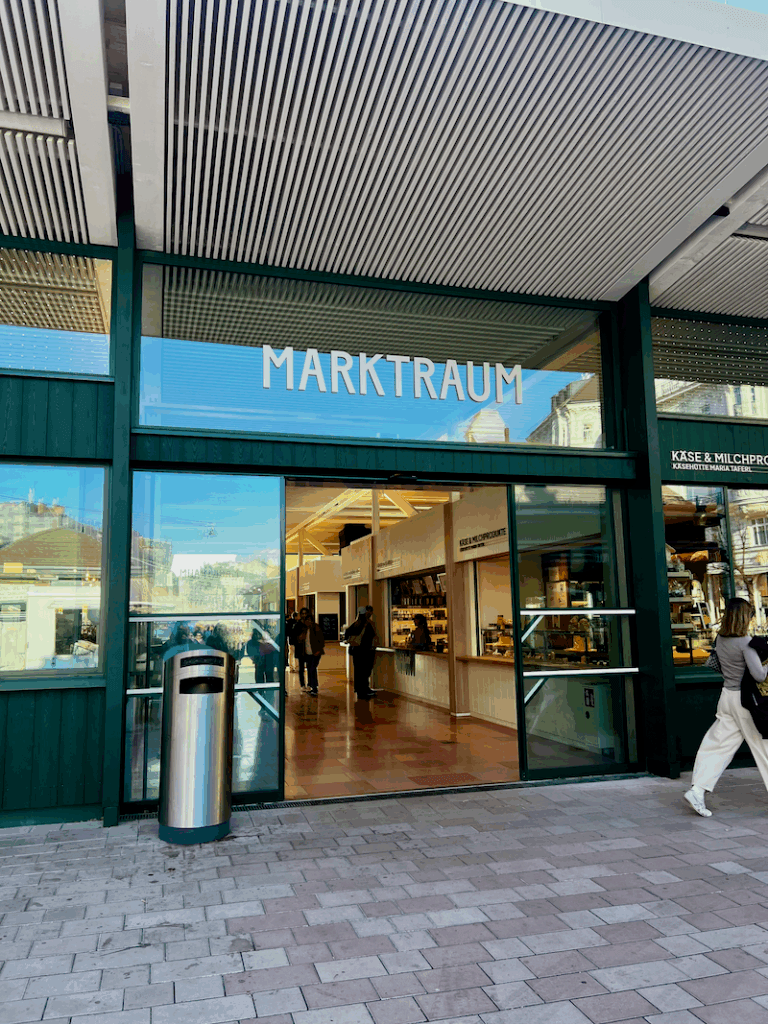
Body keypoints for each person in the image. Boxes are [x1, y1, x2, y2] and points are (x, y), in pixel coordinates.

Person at [685, 597, 768, 817]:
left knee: (717, 745)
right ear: (744, 617)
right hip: (747, 701)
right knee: (764, 748)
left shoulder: (721, 639)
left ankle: (697, 789)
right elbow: (759, 676)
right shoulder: (746, 642)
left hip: (727, 697)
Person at [344, 606, 378, 699]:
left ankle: (360, 690)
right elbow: (372, 636)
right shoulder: (367, 624)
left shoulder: (355, 624)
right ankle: (364, 690)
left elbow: (346, 634)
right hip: (365, 651)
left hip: (356, 651)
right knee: (365, 671)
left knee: (358, 671)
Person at [295, 610, 325, 695]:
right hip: (307, 653)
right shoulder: (304, 629)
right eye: (306, 620)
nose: (308, 622)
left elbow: (321, 641)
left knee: (312, 669)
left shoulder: (316, 628)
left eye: (309, 620)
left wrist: (318, 650)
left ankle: (314, 687)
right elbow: (299, 640)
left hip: (315, 653)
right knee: (310, 669)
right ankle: (311, 686)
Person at [292, 608, 310, 686]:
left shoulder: (310, 624)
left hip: (309, 649)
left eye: (305, 613)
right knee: (301, 668)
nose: (304, 615)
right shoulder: (297, 625)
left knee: (310, 668)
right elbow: (293, 637)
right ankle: (302, 684)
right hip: (300, 649)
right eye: (302, 613)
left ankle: (310, 684)